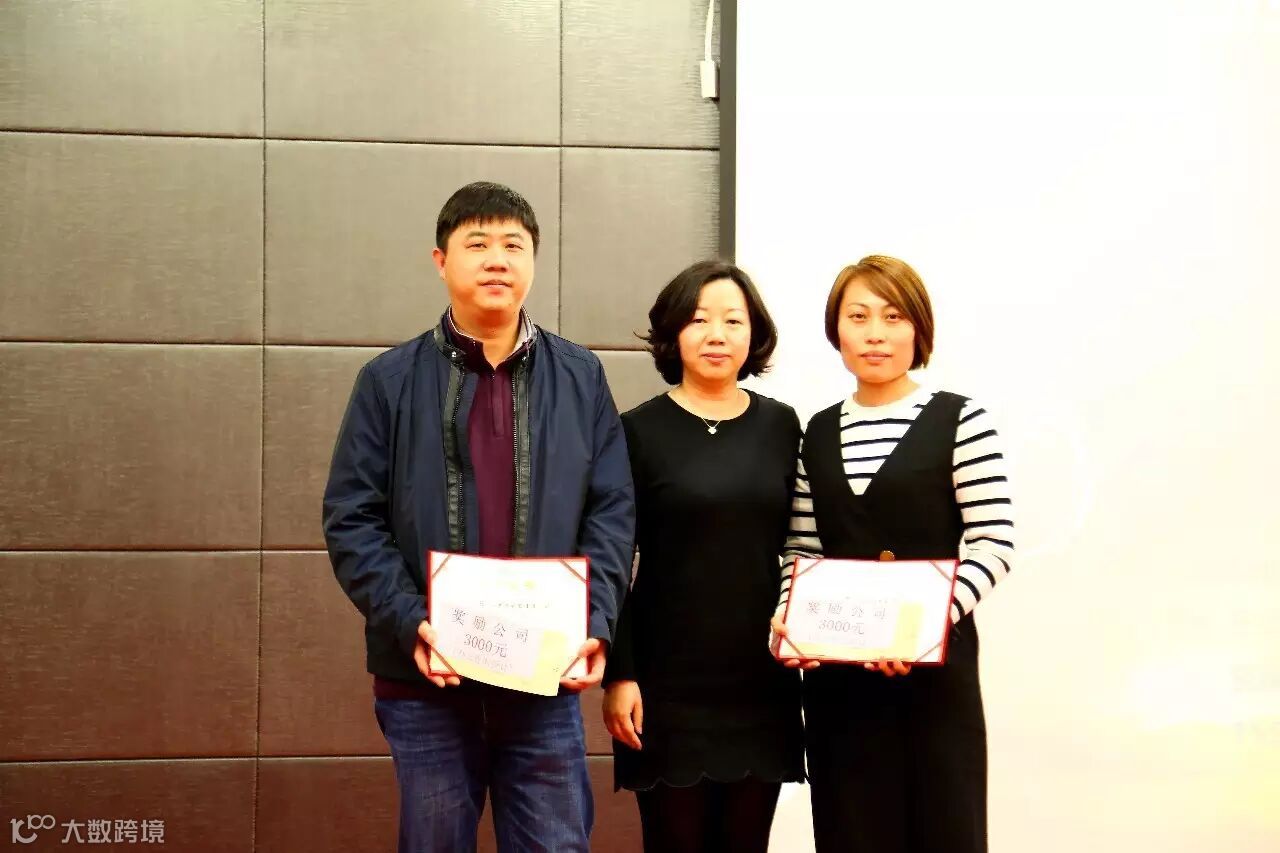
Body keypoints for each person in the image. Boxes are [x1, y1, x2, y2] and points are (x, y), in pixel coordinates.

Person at [322, 181, 635, 853]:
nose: (497, 259)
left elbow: (612, 512)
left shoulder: (580, 376)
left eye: (513, 245)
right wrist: (411, 620)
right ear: (440, 260)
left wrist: (594, 622)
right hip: (425, 680)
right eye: (478, 243)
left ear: (534, 261)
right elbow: (352, 518)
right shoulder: (387, 380)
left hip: (545, 680)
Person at [771, 255, 1015, 853]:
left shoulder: (961, 419)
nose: (875, 333)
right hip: (840, 686)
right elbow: (802, 547)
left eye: (893, 316)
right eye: (858, 317)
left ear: (918, 328)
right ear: (837, 331)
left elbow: (994, 541)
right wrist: (790, 614)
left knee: (944, 828)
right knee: (851, 830)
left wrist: (921, 628)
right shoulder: (816, 433)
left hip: (934, 680)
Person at [602, 261, 805, 853]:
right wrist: (620, 673)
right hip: (666, 687)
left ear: (753, 333)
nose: (717, 334)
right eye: (698, 320)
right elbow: (614, 561)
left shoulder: (782, 425)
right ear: (673, 333)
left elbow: (802, 545)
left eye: (732, 321)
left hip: (760, 680)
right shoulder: (636, 431)